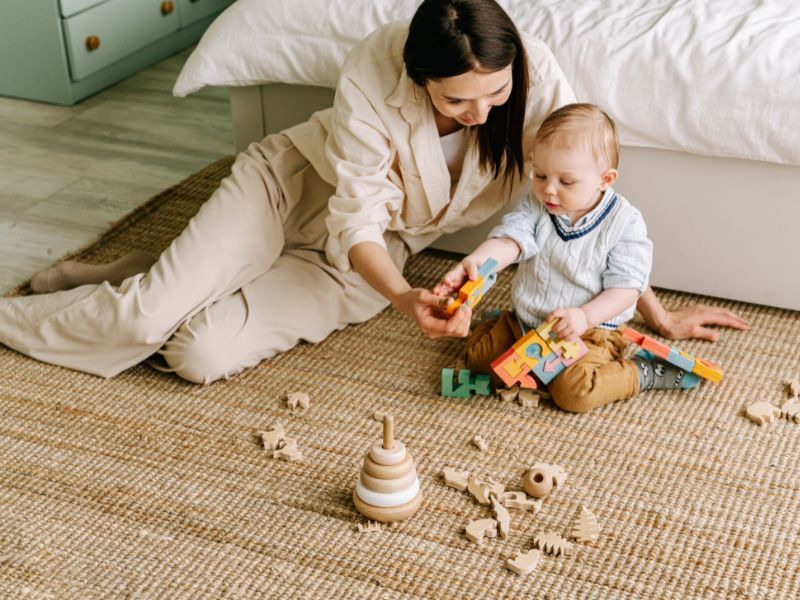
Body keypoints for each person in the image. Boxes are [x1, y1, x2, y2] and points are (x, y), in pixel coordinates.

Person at [0, 0, 746, 384]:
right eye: (457, 101)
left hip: (371, 253)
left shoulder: (534, 75)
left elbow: (592, 214)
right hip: (291, 193)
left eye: (495, 94)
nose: (482, 113)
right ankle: (56, 309)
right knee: (146, 317)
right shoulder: (372, 69)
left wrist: (658, 317)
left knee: (195, 353)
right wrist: (402, 298)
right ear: (420, 80)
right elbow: (353, 214)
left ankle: (131, 275)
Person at [435, 103, 741, 412]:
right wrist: (476, 262)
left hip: (592, 331)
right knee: (478, 361)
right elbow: (510, 241)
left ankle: (641, 372)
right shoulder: (536, 206)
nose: (548, 190)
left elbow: (627, 288)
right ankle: (499, 326)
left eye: (566, 181)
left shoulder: (624, 222)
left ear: (605, 179)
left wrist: (585, 317)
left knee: (574, 393)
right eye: (540, 175)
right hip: (527, 322)